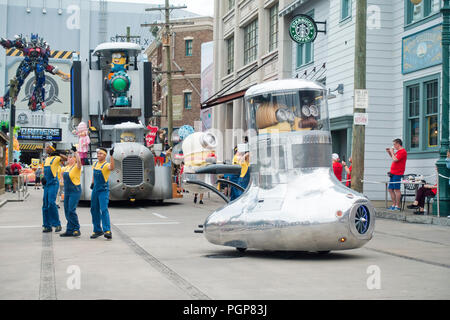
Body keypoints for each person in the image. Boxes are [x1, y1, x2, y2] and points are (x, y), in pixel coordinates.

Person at [90, 147, 115, 240]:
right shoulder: (95, 163)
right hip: (95, 190)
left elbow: (112, 167)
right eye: (98, 154)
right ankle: (97, 230)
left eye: (101, 154)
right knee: (94, 209)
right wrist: (92, 183)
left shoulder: (106, 165)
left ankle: (107, 231)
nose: (98, 155)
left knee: (104, 209)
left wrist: (112, 155)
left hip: (103, 190)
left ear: (105, 155)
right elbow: (94, 173)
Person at [42, 143, 67, 233]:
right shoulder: (47, 159)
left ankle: (57, 224)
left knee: (51, 203)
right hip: (47, 184)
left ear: (51, 149)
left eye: (47, 147)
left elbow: (66, 159)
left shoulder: (56, 158)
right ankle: (47, 225)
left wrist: (58, 154)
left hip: (53, 182)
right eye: (46, 147)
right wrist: (43, 177)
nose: (46, 148)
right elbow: (44, 169)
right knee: (45, 204)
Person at [60, 147, 82, 237]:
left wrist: (76, 152)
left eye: (71, 157)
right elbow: (61, 177)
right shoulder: (65, 168)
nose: (70, 158)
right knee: (66, 210)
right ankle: (69, 230)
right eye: (68, 157)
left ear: (75, 159)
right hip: (67, 191)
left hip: (75, 190)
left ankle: (76, 229)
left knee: (71, 210)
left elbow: (79, 162)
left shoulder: (77, 167)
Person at [386, 138, 407, 211]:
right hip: (393, 173)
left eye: (394, 144)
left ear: (398, 144)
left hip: (398, 173)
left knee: (396, 189)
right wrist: (389, 152)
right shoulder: (398, 152)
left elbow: (395, 159)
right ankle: (394, 204)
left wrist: (392, 152)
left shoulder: (402, 151)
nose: (393, 146)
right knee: (390, 189)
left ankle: (397, 206)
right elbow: (393, 157)